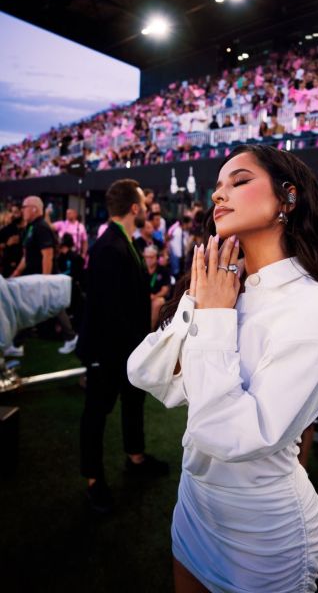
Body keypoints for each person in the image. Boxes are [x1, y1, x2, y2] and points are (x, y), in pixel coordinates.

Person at [127, 144, 318, 592]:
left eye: (240, 181)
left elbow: (233, 435)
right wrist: (200, 301)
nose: (219, 195)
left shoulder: (308, 307)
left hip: (260, 529)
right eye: (218, 187)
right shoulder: (225, 288)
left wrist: (213, 316)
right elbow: (146, 373)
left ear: (289, 197)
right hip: (194, 501)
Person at [77, 179, 169, 513]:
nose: (146, 209)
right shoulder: (109, 246)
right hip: (108, 351)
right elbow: (107, 309)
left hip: (127, 350)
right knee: (96, 415)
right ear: (134, 208)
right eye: (144, 204)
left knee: (133, 403)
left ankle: (136, 457)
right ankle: (93, 480)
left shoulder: (121, 242)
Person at [6, 196, 78, 356]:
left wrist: (44, 280)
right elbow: (27, 256)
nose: (22, 210)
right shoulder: (30, 228)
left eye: (25, 207)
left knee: (54, 307)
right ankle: (17, 344)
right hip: (34, 276)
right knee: (35, 307)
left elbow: (48, 254)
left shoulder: (42, 227)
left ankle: (70, 337)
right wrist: (16, 273)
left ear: (34, 209)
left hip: (44, 276)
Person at [144, 245, 172, 330]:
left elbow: (165, 290)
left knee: (158, 302)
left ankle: (150, 330)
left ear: (156, 257)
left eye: (151, 257)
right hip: (143, 297)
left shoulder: (163, 270)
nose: (148, 259)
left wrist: (153, 297)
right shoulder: (141, 269)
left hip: (157, 298)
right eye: (146, 257)